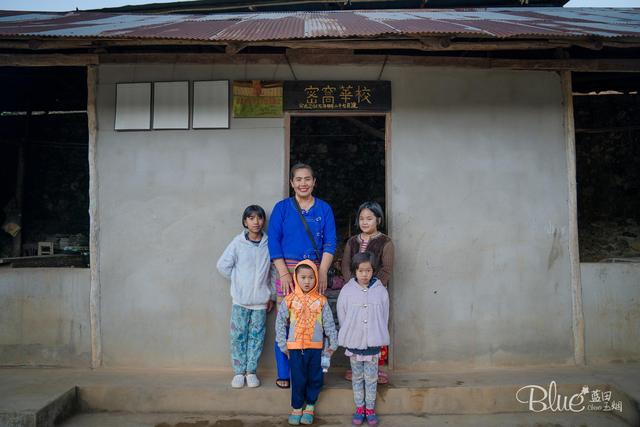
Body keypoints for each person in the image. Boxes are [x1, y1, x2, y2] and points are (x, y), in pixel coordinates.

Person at [268, 163, 337, 389]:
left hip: (314, 272)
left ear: (314, 182)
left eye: (307, 179)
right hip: (286, 269)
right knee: (286, 320)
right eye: (298, 179)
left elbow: (329, 242)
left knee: (312, 321)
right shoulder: (282, 208)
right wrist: (283, 273)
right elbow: (273, 241)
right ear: (291, 183)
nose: (303, 183)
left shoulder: (324, 209)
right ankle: (284, 372)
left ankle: (312, 372)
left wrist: (323, 270)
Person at [216, 205, 275, 389]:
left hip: (260, 302)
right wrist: (238, 281)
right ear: (245, 221)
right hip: (240, 301)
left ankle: (251, 372)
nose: (255, 222)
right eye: (251, 218)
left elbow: (274, 272)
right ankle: (239, 373)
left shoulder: (269, 243)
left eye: (259, 218)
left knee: (256, 338)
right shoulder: (237, 243)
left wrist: (271, 295)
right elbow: (222, 265)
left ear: (263, 221)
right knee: (238, 337)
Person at [275, 260, 338, 425]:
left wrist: (332, 344)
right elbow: (280, 323)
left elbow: (329, 324)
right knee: (297, 378)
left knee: (315, 377)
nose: (307, 281)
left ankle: (310, 406)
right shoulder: (289, 300)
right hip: (295, 348)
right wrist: (283, 345)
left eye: (311, 277)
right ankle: (296, 407)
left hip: (316, 348)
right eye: (303, 277)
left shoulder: (321, 301)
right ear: (296, 278)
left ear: (316, 278)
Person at [341, 201, 394, 383]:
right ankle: (355, 367)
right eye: (362, 218)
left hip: (375, 295)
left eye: (369, 218)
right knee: (355, 327)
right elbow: (346, 265)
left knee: (374, 328)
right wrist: (352, 285)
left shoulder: (385, 242)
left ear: (378, 219)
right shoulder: (352, 241)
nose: (365, 222)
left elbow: (386, 269)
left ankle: (375, 369)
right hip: (355, 293)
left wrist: (372, 286)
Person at [337, 252, 390, 426]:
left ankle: (370, 409)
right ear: (355, 271)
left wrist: (377, 332)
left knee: (371, 378)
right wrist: (350, 332)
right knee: (357, 378)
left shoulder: (380, 290)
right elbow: (342, 314)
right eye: (361, 271)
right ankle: (360, 408)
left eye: (368, 270)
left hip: (373, 344)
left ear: (373, 271)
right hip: (355, 343)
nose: (364, 274)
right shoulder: (347, 290)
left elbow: (384, 314)